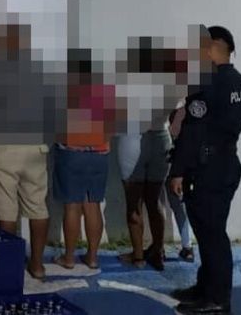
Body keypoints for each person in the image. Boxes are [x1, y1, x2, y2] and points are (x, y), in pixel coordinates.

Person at [170, 26, 241, 315]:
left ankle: (217, 298)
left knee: (211, 235)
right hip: (226, 164)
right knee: (211, 233)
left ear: (212, 48)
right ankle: (206, 288)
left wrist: (177, 171)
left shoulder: (206, 86)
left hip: (206, 168)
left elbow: (193, 133)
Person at [0, 23, 60, 280]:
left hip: (5, 147)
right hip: (35, 146)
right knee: (38, 206)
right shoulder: (40, 72)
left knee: (6, 210)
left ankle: (8, 267)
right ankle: (37, 265)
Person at [115, 39, 177, 271]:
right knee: (155, 200)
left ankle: (139, 256)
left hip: (133, 137)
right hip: (161, 138)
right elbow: (175, 112)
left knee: (134, 202)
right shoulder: (169, 84)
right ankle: (158, 251)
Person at [52, 48, 117, 271]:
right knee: (93, 204)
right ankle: (92, 257)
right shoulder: (106, 90)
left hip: (71, 152)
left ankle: (69, 257)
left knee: (72, 205)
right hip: (99, 152)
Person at [167, 104, 195, 263]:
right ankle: (187, 246)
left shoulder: (181, 111)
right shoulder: (195, 107)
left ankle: (159, 248)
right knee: (181, 206)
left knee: (161, 203)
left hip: (175, 162)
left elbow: (175, 134)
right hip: (192, 163)